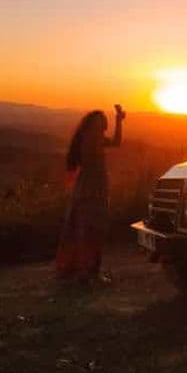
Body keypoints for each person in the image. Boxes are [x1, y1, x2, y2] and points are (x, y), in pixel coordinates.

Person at [56, 104, 126, 283]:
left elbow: (116, 142)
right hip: (92, 192)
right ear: (96, 124)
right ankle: (88, 273)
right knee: (92, 231)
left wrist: (119, 120)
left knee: (81, 231)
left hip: (86, 191)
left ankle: (77, 271)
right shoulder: (91, 140)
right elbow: (95, 163)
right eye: (103, 123)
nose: (105, 127)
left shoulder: (88, 137)